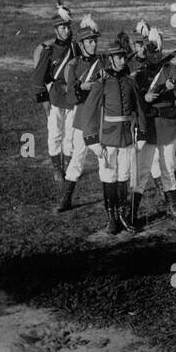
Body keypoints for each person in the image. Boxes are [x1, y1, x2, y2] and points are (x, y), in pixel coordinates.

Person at [74, 38, 147, 236]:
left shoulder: (130, 83)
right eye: (118, 58)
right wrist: (92, 140)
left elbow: (139, 110)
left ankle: (123, 215)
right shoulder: (101, 84)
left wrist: (141, 134)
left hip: (126, 138)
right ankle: (111, 218)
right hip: (106, 139)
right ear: (110, 60)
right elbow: (88, 113)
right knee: (109, 177)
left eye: (124, 57)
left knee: (123, 176)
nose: (123, 61)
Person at [133, 26, 176, 224]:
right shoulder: (140, 74)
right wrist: (144, 97)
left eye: (157, 51)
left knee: (168, 167)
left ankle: (172, 208)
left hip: (168, 125)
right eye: (150, 52)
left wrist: (175, 89)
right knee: (143, 169)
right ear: (145, 53)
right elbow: (133, 99)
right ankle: (132, 212)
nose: (155, 55)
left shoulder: (170, 69)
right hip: (149, 127)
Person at [57, 15, 105, 211]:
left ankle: (110, 199)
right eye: (89, 42)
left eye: (95, 41)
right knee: (78, 156)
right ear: (81, 44)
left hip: (100, 117)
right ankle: (66, 199)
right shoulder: (74, 65)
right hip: (81, 116)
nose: (93, 45)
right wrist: (81, 87)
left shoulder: (103, 62)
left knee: (104, 157)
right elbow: (70, 98)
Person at [29, 0, 78, 184]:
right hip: (55, 96)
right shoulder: (48, 50)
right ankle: (57, 169)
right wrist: (44, 101)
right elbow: (38, 79)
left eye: (68, 27)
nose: (66, 31)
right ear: (55, 30)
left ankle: (67, 166)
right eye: (62, 28)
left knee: (71, 133)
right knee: (55, 133)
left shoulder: (75, 47)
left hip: (71, 97)